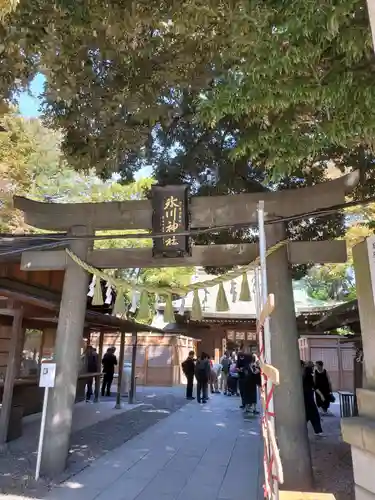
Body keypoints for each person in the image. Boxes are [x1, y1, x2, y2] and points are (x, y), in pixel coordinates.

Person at [302, 361, 324, 436]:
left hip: (304, 399)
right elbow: (314, 386)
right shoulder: (309, 376)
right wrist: (321, 395)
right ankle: (318, 431)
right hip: (309, 398)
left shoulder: (302, 376)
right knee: (314, 415)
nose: (313, 368)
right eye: (312, 367)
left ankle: (316, 431)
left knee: (308, 415)